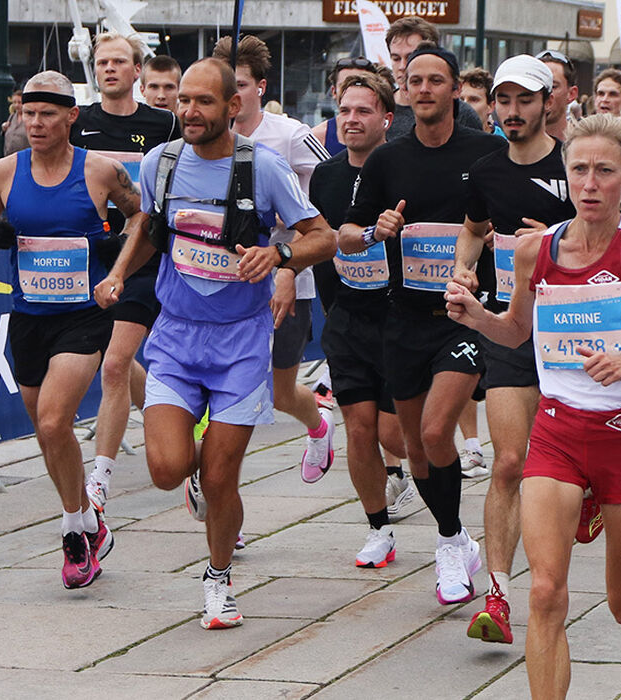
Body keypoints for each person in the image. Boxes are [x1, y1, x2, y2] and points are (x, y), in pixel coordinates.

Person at [444, 113, 621, 698]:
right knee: (546, 592)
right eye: (579, 170)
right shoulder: (534, 250)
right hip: (558, 433)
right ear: (565, 175)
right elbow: (517, 333)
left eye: (604, 171)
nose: (590, 183)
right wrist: (477, 317)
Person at [96, 58, 335, 628]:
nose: (189, 112)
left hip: (241, 342)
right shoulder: (163, 160)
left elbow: (322, 237)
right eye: (182, 100)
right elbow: (150, 227)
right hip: (176, 338)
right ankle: (202, 474)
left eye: (203, 101)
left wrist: (278, 255)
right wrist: (120, 273)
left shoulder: (264, 168)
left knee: (223, 476)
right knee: (166, 468)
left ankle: (218, 578)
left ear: (233, 106)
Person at [338, 44, 500, 606]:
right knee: (413, 446)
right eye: (414, 80)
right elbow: (346, 233)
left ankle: (449, 546)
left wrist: (484, 264)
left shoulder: (486, 151)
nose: (424, 89)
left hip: (463, 318)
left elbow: (500, 226)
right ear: (403, 91)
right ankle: (456, 537)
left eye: (436, 80)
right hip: (403, 318)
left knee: (436, 433)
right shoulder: (387, 159)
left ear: (456, 89)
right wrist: (372, 230)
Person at [0, 72, 135, 589]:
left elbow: (143, 217)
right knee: (44, 429)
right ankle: (86, 518)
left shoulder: (99, 171)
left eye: (47, 114)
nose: (35, 124)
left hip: (83, 316)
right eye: (28, 114)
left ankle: (71, 532)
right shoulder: (4, 172)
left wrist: (116, 256)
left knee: (56, 420)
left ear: (70, 117)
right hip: (29, 317)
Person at [450, 54, 579, 643]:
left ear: (547, 102)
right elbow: (475, 229)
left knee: (579, 464)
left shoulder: (577, 165)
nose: (512, 112)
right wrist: (462, 272)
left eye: (524, 100)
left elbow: (613, 239)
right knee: (508, 461)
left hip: (577, 330)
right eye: (502, 101)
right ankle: (498, 596)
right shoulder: (484, 171)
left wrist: (552, 243)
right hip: (510, 327)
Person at [213, 35, 337, 487]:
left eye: (241, 84)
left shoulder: (291, 136)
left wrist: (291, 219)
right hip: (219, 287)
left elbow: (332, 195)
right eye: (226, 85)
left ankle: (319, 425)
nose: (233, 95)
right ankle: (222, 501)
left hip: (288, 282)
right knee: (234, 396)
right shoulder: (205, 141)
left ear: (260, 87)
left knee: (280, 392)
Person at [70, 33, 181, 516]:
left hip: (145, 257)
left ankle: (99, 482)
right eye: (102, 62)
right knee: (123, 366)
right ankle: (178, 430)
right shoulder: (80, 124)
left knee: (114, 365)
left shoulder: (165, 122)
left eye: (119, 62)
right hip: (93, 258)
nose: (109, 69)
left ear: (138, 71)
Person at [308, 73, 415, 568]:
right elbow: (319, 241)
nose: (351, 120)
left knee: (396, 437)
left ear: (386, 120)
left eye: (363, 111)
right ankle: (378, 529)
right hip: (348, 318)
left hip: (398, 317)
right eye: (344, 111)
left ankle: (422, 483)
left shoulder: (402, 169)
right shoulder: (325, 176)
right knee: (358, 428)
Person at [384, 17, 483, 140]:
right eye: (396, 58)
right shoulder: (381, 110)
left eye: (410, 57)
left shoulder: (462, 114)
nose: (403, 66)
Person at [310, 56, 389, 155]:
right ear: (334, 92)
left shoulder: (394, 132)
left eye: (361, 85)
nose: (353, 91)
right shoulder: (317, 138)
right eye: (345, 86)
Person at [535, 50, 579, 141]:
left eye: (552, 87)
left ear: (571, 94)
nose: (543, 94)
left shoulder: (585, 144)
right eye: (536, 85)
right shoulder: (509, 145)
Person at [460, 67, 500, 135]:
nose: (465, 105)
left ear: (491, 106)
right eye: (460, 99)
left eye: (473, 100)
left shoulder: (506, 142)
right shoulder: (441, 140)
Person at [3, 88, 28, 156]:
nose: (16, 105)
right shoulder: (11, 117)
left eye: (19, 102)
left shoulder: (29, 118)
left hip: (24, 156)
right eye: (14, 102)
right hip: (9, 156)